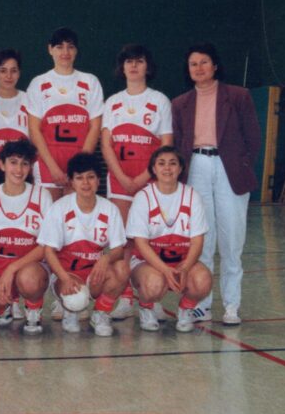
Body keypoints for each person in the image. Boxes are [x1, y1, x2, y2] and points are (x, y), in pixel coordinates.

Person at [170, 43, 260, 327]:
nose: (199, 68)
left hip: (229, 167)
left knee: (232, 241)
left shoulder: (238, 96)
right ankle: (202, 303)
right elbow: (178, 142)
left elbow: (253, 137)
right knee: (202, 240)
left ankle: (232, 305)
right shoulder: (180, 103)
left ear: (215, 65)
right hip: (196, 167)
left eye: (204, 62)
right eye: (193, 64)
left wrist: (241, 164)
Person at [100, 44, 173, 321]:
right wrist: (122, 177)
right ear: (122, 67)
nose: (133, 66)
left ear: (147, 66)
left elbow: (166, 144)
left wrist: (144, 177)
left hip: (149, 181)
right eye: (128, 61)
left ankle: (151, 299)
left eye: (139, 61)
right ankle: (125, 298)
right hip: (119, 180)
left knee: (150, 239)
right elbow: (106, 144)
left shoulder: (160, 101)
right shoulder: (112, 102)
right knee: (123, 241)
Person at [38, 152, 130, 336]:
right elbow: (48, 251)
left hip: (95, 274)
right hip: (67, 274)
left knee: (122, 268)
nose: (86, 183)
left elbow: (119, 249)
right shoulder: (59, 208)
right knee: (76, 300)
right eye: (79, 178)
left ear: (98, 180)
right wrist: (64, 278)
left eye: (91, 177)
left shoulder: (109, 209)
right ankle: (70, 311)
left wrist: (106, 258)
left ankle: (100, 313)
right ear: (71, 182)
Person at [126, 147, 212, 333]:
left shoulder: (192, 196)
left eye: (173, 163)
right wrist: (165, 270)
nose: (167, 168)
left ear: (180, 169)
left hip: (181, 261)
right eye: (161, 163)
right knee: (154, 284)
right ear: (153, 169)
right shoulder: (143, 198)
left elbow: (197, 241)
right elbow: (140, 243)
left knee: (203, 279)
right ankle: (146, 307)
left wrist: (185, 267)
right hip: (147, 263)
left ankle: (186, 310)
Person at [0, 139, 53, 335]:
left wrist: (12, 268)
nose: (19, 169)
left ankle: (33, 308)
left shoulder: (42, 196)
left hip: (30, 268)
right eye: (13, 162)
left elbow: (46, 245)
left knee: (29, 279)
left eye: (25, 163)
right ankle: (6, 303)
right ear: (2, 165)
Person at [27, 27, 104, 201]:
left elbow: (95, 127)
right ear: (50, 49)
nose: (65, 52)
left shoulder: (90, 81)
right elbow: (34, 130)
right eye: (59, 47)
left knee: (75, 214)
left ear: (76, 50)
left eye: (70, 47)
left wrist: (79, 168)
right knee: (48, 213)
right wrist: (53, 168)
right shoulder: (38, 83)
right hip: (48, 163)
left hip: (79, 163)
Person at [0, 49, 30, 187]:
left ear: (19, 73)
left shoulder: (29, 100)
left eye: (13, 71)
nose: (8, 76)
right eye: (3, 71)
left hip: (21, 176)